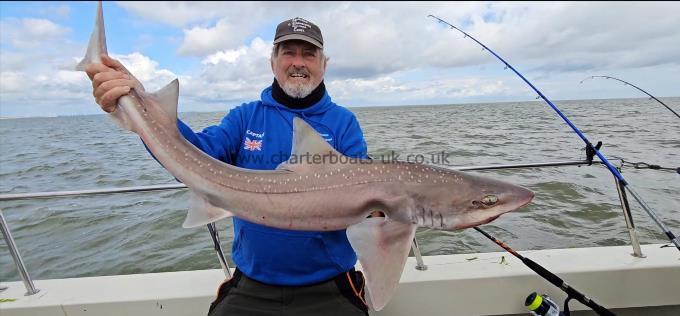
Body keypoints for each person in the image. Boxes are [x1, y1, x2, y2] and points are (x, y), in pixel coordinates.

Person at [86, 17, 370, 315]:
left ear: (324, 63)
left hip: (329, 285)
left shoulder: (344, 123)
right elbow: (194, 156)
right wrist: (138, 111)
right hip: (254, 285)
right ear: (272, 61)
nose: (298, 62)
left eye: (308, 54)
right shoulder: (245, 118)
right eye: (288, 52)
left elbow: (367, 196)